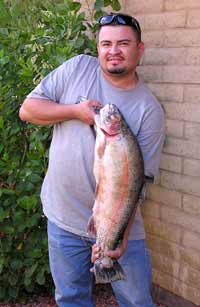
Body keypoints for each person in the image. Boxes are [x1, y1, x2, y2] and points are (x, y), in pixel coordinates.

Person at [19, 13, 165, 307]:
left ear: (140, 49)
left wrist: (120, 238)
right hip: (64, 217)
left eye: (124, 43)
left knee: (137, 301)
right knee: (71, 298)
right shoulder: (77, 69)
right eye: (106, 43)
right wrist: (76, 111)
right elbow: (28, 110)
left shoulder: (149, 110)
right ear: (97, 48)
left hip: (119, 224)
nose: (114, 51)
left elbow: (138, 183)